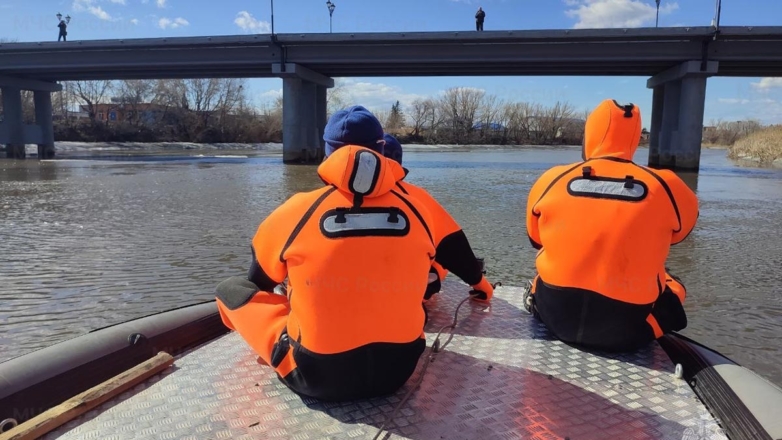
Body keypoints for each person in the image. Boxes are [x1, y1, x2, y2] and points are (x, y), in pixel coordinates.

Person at [214, 105, 492, 402]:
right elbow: (459, 254)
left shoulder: (296, 211)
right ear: (382, 147)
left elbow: (260, 285)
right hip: (398, 372)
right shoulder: (420, 205)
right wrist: (483, 288)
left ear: (327, 151)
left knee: (231, 290)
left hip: (316, 376)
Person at [524, 99, 699, 352]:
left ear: (590, 134)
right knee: (673, 283)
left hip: (554, 317)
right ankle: (654, 323)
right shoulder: (668, 186)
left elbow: (536, 238)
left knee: (546, 258)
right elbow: (678, 235)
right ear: (635, 137)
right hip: (627, 330)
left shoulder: (551, 178)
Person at [382, 133, 494, 303]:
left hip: (344, 288)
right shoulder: (416, 196)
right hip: (404, 296)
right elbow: (454, 246)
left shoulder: (328, 197)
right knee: (438, 260)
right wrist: (481, 285)